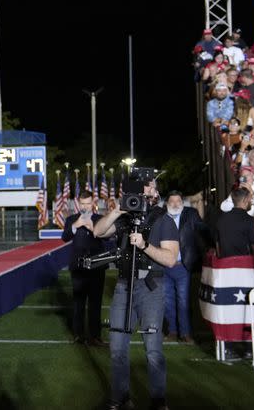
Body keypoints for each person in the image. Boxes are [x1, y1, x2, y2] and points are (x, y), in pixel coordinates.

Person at [93, 171, 179, 410]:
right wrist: (117, 211)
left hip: (151, 287)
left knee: (153, 350)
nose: (144, 192)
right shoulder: (124, 218)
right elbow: (98, 231)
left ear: (155, 191)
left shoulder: (164, 220)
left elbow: (171, 259)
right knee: (117, 347)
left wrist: (144, 245)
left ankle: (158, 400)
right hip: (123, 286)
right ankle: (120, 398)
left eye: (148, 187)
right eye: (140, 188)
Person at [62, 191, 109, 346]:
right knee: (78, 304)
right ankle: (78, 335)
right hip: (78, 267)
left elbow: (107, 237)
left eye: (87, 203)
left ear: (92, 203)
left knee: (95, 303)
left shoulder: (100, 219)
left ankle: (95, 336)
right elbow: (65, 237)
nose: (85, 206)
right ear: (78, 203)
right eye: (82, 203)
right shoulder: (71, 219)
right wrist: (76, 225)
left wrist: (92, 227)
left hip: (97, 265)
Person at [161, 191, 207, 344]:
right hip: (165, 265)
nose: (175, 204)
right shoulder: (161, 216)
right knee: (168, 302)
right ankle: (172, 332)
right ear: (167, 203)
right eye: (172, 201)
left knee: (183, 301)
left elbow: (203, 230)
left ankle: (186, 333)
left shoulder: (191, 214)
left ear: (182, 202)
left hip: (183, 266)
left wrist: (215, 243)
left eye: (178, 201)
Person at [215, 188, 254, 257]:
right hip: (243, 265)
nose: (252, 202)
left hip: (224, 264)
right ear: (245, 200)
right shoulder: (250, 220)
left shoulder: (221, 219)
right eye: (250, 199)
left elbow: (217, 244)